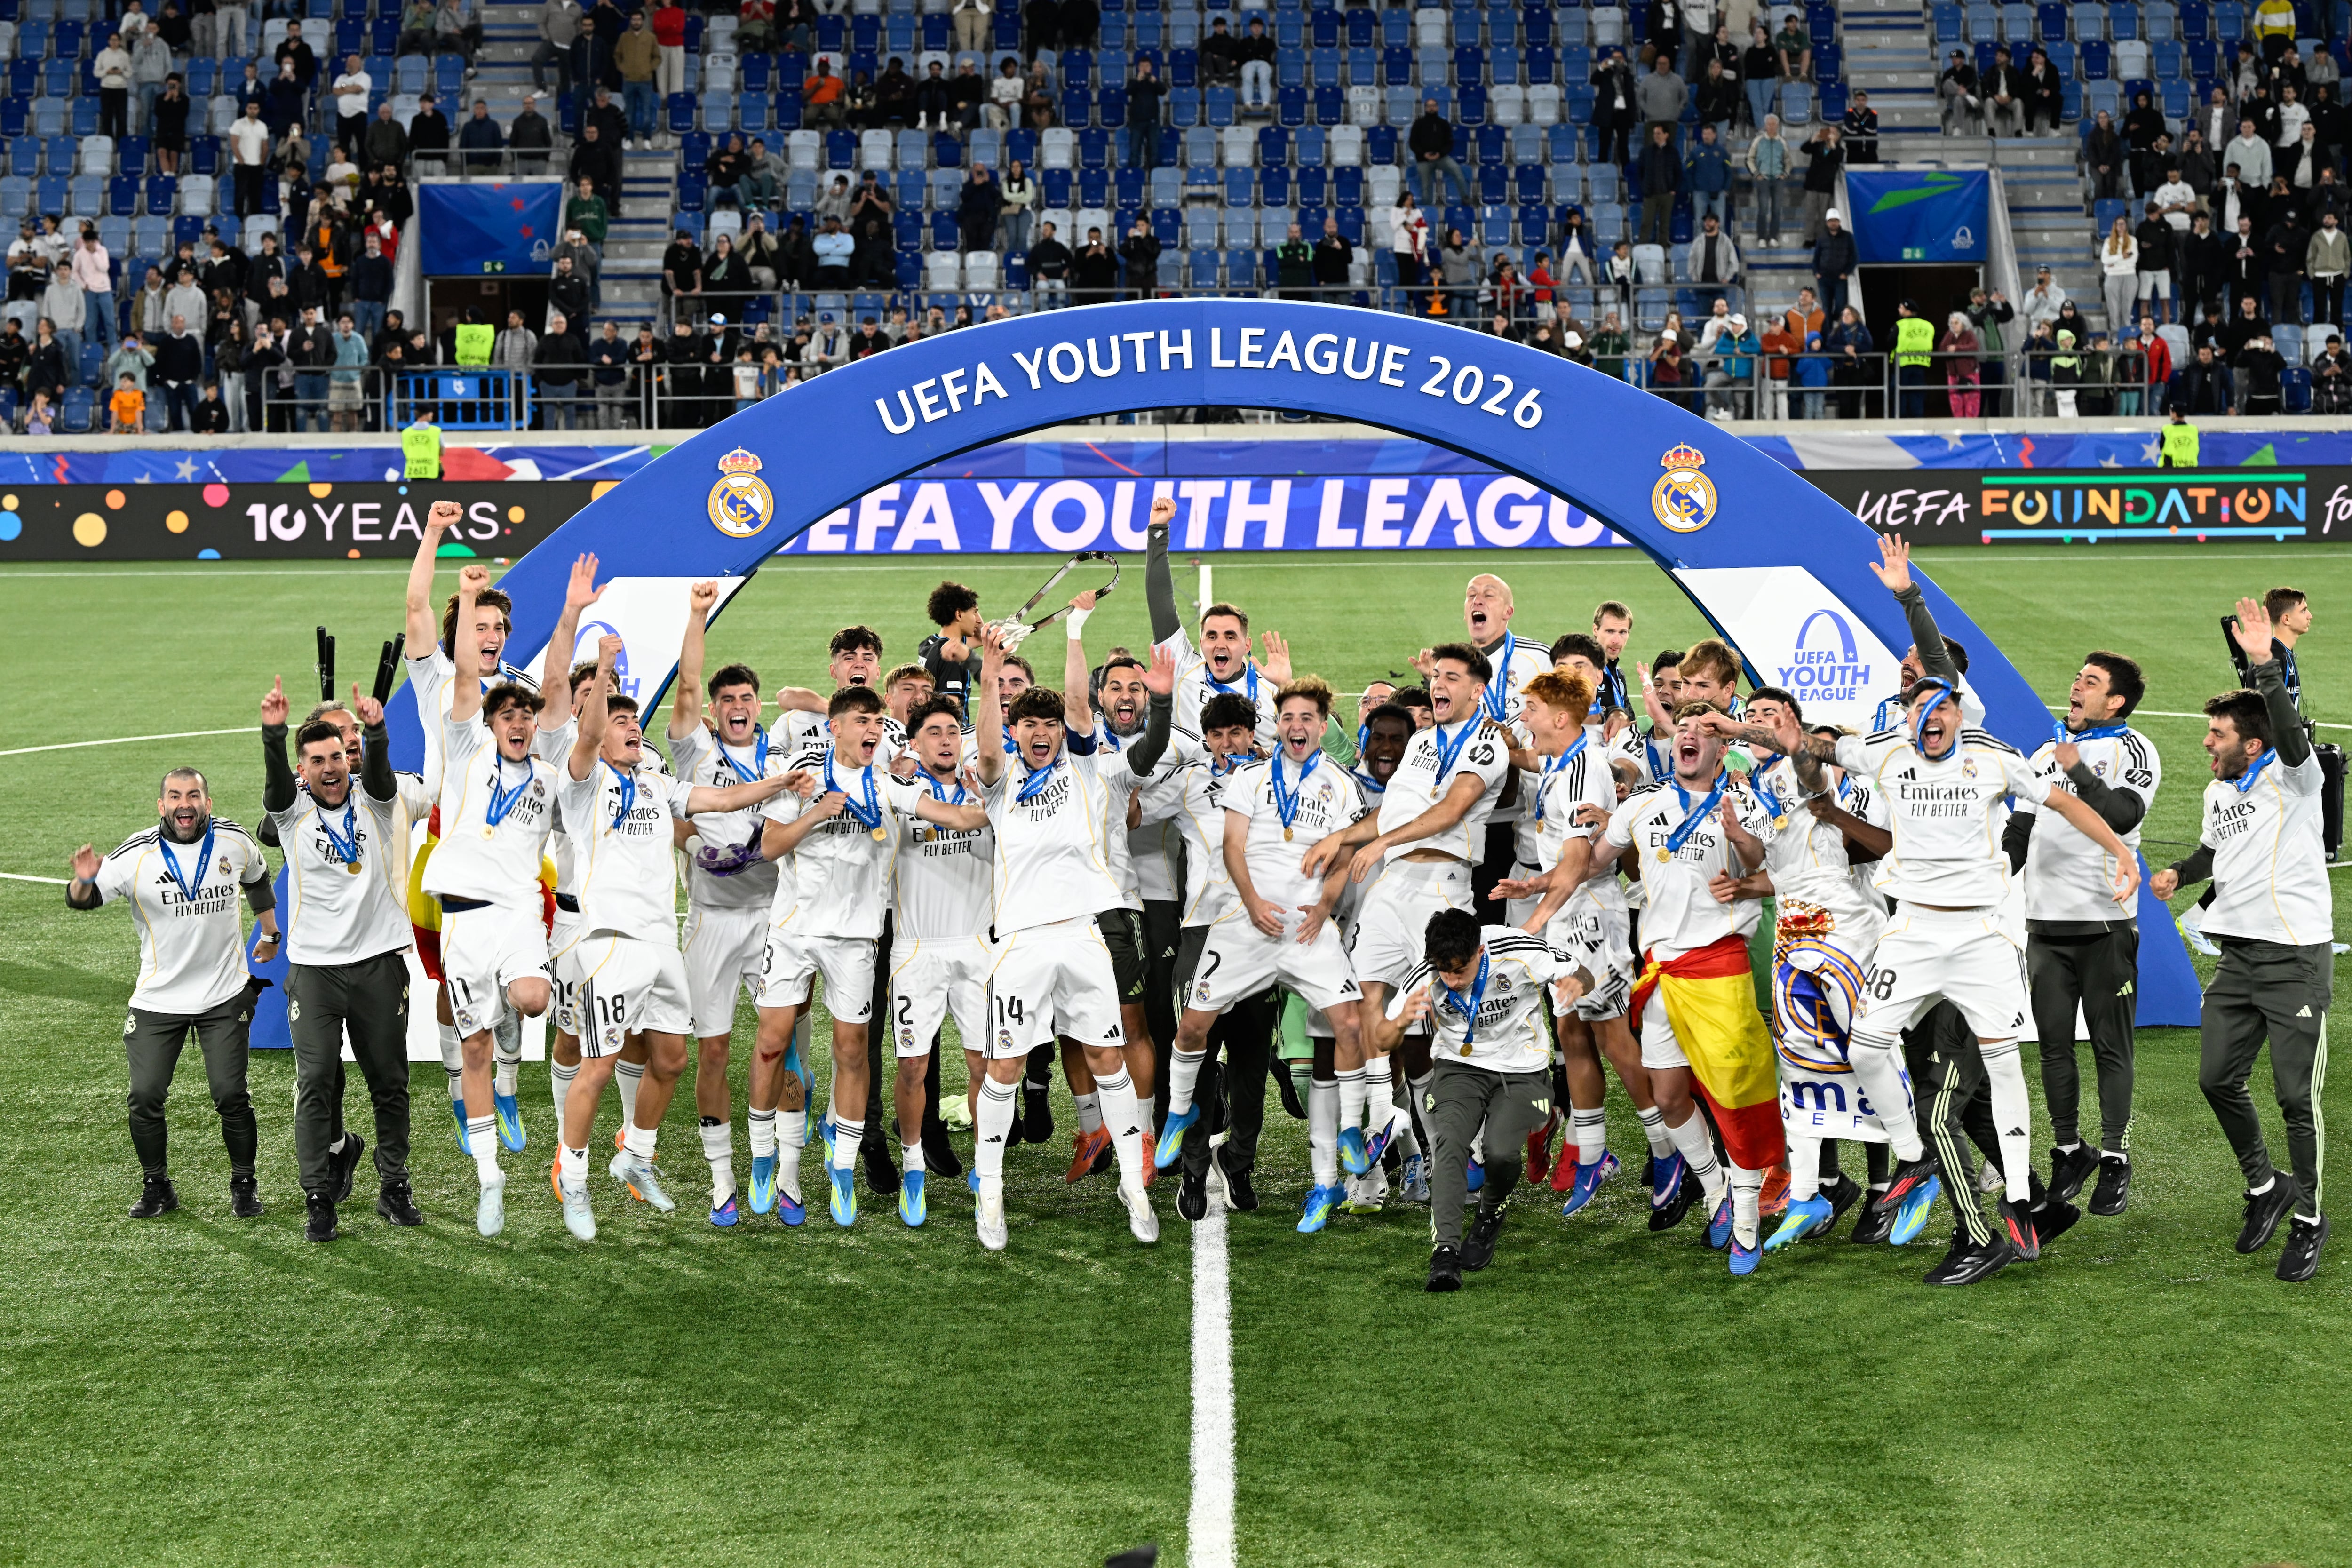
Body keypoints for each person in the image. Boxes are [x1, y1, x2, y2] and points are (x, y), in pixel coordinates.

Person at [1709, 537, 2143, 1286]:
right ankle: (1913, 1156)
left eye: (1934, 701)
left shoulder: (1988, 753)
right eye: (1914, 705)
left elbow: (2066, 801)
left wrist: (2123, 851)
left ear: (1953, 705)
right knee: (1870, 1044)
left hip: (1980, 935)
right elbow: (1799, 739)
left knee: (2005, 1069)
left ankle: (2012, 1202)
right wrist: (1739, 730)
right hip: (1912, 930)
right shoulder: (1886, 752)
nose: (1925, 714)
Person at [551, 614, 799, 1241]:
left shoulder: (657, 783)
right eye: (620, 722)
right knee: (600, 1064)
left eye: (636, 721)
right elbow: (583, 735)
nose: (632, 728)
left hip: (662, 939)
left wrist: (781, 782)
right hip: (609, 940)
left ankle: (635, 1154)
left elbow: (720, 802)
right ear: (599, 735)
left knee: (671, 1057)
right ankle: (572, 1179)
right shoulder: (583, 782)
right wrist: (603, 670)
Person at [963, 626, 1176, 1250]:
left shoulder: (1090, 770)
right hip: (1022, 943)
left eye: (1049, 724)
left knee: (1109, 1059)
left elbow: (1087, 708)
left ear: (1062, 731)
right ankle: (991, 1192)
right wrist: (992, 667)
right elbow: (987, 744)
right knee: (1003, 1067)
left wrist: (1078, 635)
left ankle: (1134, 1189)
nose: (1039, 733)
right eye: (1028, 725)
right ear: (1016, 731)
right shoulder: (999, 785)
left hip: (1086, 938)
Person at [2152, 600, 2333, 1281]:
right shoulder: (2219, 792)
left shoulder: (2295, 777)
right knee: (2216, 1079)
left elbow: (2288, 732)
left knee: (2295, 1096)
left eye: (2218, 733)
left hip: (2293, 960)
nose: (2207, 742)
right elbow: (2214, 852)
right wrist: (2182, 872)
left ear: (2250, 744)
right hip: (2238, 959)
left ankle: (2311, 1218)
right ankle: (2267, 1187)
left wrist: (2265, 665)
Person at [1159, 677, 1368, 1225]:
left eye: (1307, 718)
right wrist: (1251, 902)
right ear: (1279, 727)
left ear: (1322, 725)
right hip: (1239, 924)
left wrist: (1325, 906)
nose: (1297, 727)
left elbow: (1345, 853)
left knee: (1346, 1026)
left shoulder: (1341, 785)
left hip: (1305, 931)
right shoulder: (1250, 778)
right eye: (1289, 718)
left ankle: (1346, 1129)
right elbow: (1232, 846)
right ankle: (1181, 1121)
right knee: (1191, 1031)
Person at [67, 768, 278, 1220]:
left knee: (230, 1094)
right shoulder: (135, 853)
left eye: (195, 795)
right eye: (176, 796)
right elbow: (82, 900)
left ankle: (244, 1183)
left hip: (224, 995)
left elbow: (258, 878)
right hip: (158, 999)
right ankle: (157, 1185)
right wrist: (84, 880)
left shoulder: (234, 840)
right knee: (144, 1095)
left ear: (208, 802)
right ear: (161, 806)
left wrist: (271, 932)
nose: (186, 804)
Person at [1996, 653, 2160, 1220]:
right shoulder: (2042, 755)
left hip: (2103, 925)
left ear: (2114, 701)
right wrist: (1994, 873)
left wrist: (2080, 771)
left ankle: (2114, 1156)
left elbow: (2119, 815)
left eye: (2090, 682)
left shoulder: (2133, 750)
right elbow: (2019, 829)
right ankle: (2070, 1149)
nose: (2075, 686)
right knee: (2052, 1046)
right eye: (2076, 678)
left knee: (2112, 1048)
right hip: (2042, 925)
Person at [257, 675, 419, 1242]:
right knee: (315, 1082)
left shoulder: (376, 801)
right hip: (315, 971)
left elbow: (377, 774)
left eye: (336, 758)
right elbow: (276, 784)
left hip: (378, 963)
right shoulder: (290, 811)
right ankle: (319, 1196)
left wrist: (375, 733)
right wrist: (273, 736)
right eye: (317, 760)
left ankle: (394, 1186)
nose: (329, 768)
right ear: (303, 769)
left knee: (389, 1082)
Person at [1377, 911, 1592, 1290]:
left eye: (1459, 970)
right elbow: (1382, 1038)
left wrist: (1577, 985)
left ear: (1480, 950)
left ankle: (1491, 1211)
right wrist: (1397, 1024)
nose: (1452, 980)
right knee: (1450, 1145)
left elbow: (1582, 971)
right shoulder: (1427, 973)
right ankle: (1444, 1250)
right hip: (1460, 1068)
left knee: (1501, 1152)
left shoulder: (1518, 948)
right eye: (1444, 971)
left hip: (1524, 1068)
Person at [1410, 97, 1469, 210]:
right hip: (1424, 159)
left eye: (1434, 106)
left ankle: (1465, 198)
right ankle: (1427, 209)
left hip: (1441, 158)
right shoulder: (1418, 124)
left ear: (1437, 107)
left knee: (1457, 171)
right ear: (1426, 108)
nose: (1432, 108)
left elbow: (1449, 143)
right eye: (1429, 106)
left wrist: (1440, 154)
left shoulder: (1444, 124)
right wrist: (1424, 155)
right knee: (1426, 185)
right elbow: (1413, 143)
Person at [1637, 123, 1681, 247]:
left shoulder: (1673, 152)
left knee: (1665, 222)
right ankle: (1643, 244)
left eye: (1659, 133)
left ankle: (1663, 243)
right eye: (1655, 133)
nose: (1656, 136)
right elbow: (1640, 171)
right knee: (1647, 222)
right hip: (1650, 194)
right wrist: (1644, 187)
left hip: (1667, 193)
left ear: (1666, 135)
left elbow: (1678, 172)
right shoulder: (1646, 151)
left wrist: (1674, 189)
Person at [1800, 126, 1844, 246]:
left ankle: (1820, 239)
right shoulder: (1818, 146)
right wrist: (1814, 138)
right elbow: (1804, 149)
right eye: (1829, 132)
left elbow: (1837, 158)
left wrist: (1832, 144)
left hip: (1825, 187)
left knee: (1822, 216)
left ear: (1838, 137)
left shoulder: (1839, 150)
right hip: (1813, 185)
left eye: (1833, 133)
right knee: (1810, 213)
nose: (1830, 134)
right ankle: (1809, 239)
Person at [1811, 207, 1856, 319]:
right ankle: (1829, 333)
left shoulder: (1848, 237)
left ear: (1839, 222)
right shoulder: (1822, 238)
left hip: (1840, 278)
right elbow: (1816, 257)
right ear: (1827, 223)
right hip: (1824, 278)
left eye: (1835, 221)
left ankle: (1838, 328)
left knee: (1841, 305)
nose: (1833, 223)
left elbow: (1855, 257)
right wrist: (1817, 272)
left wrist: (1846, 273)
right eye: (1831, 221)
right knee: (1826, 308)